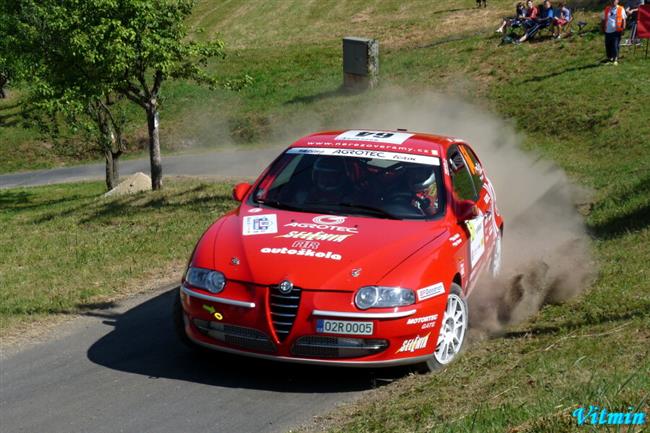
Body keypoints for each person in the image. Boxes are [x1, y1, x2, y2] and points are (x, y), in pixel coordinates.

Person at [602, 0, 627, 64]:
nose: (613, 1)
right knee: (608, 45)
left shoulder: (621, 8)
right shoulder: (607, 9)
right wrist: (602, 28)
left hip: (616, 31)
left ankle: (615, 59)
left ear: (617, 1)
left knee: (615, 45)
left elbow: (624, 19)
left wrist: (623, 28)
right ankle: (610, 58)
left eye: (614, 0)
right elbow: (603, 19)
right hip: (607, 31)